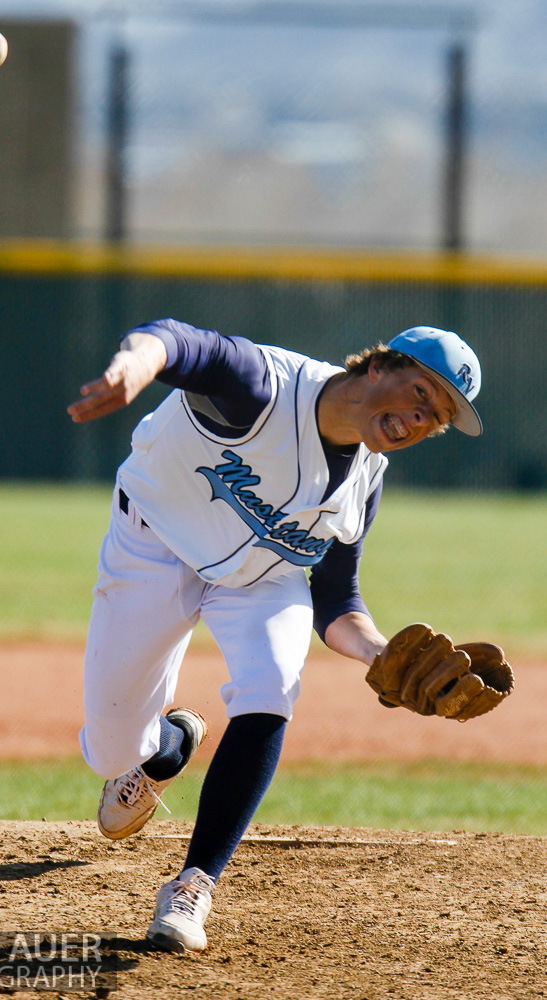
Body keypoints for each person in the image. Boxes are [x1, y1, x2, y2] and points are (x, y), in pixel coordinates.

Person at [67, 320, 482, 954]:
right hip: (155, 547)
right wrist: (134, 366)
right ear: (380, 366)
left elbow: (336, 598)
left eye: (439, 415)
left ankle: (193, 885)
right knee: (109, 751)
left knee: (272, 685)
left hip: (263, 580)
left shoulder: (364, 478)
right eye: (422, 392)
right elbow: (176, 342)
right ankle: (166, 747)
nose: (422, 417)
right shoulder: (262, 389)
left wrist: (378, 653)